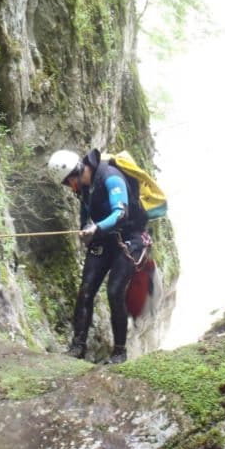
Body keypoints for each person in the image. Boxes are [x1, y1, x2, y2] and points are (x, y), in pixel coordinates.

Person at [47, 148, 151, 364]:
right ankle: (78, 347)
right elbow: (87, 213)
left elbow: (121, 213)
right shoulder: (85, 187)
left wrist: (96, 228)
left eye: (68, 182)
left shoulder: (110, 176)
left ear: (75, 171)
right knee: (86, 290)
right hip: (104, 239)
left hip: (130, 238)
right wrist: (85, 229)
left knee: (114, 291)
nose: (69, 187)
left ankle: (120, 353)